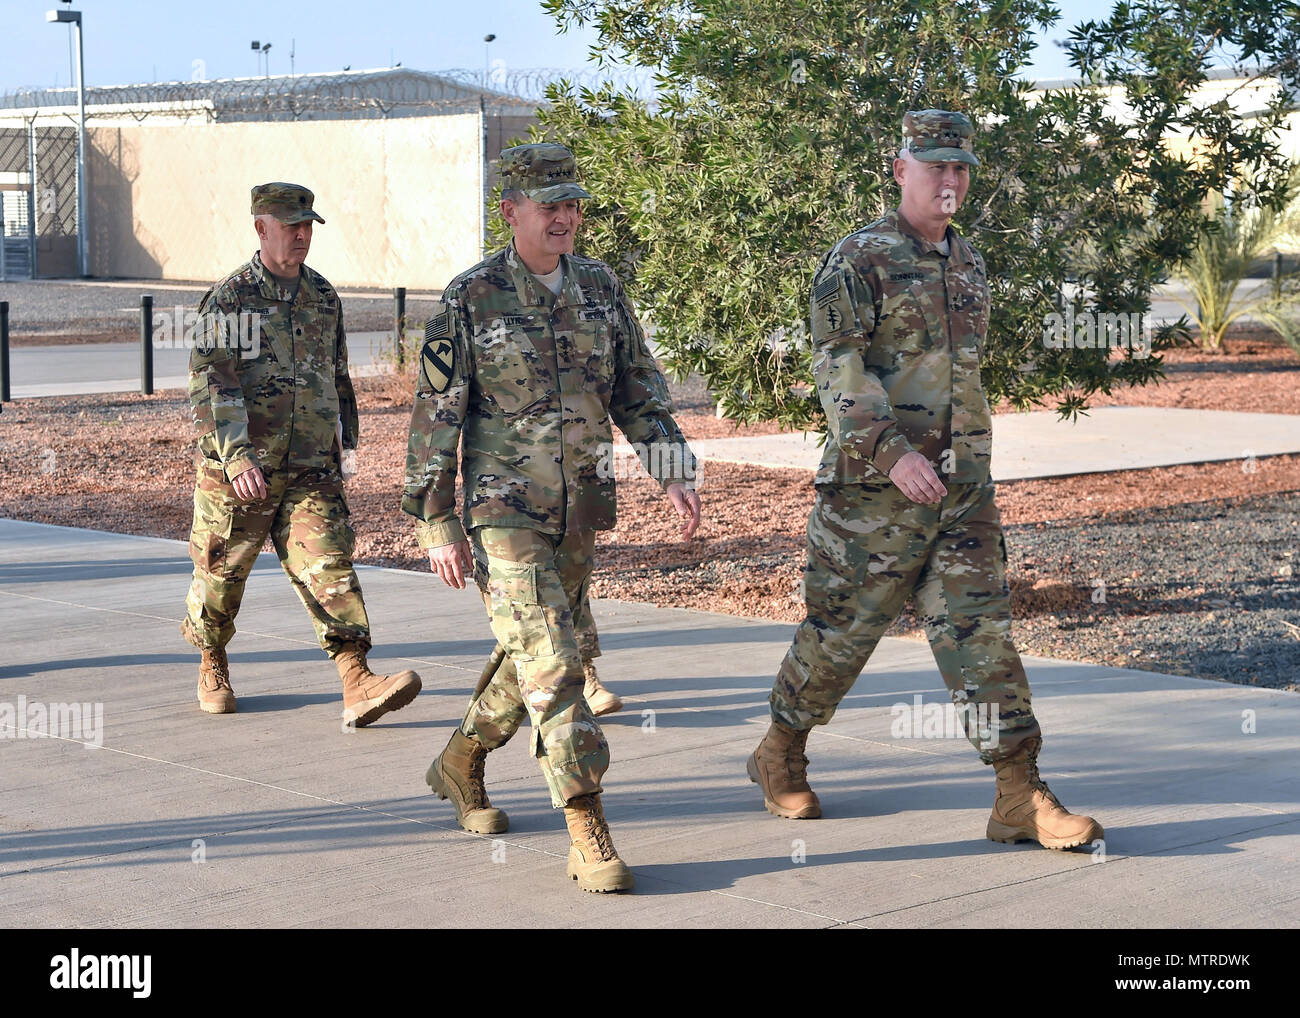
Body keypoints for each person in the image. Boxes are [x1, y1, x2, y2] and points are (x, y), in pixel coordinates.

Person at [748, 111, 1104, 850]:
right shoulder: (859, 259)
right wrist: (890, 450)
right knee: (840, 637)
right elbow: (838, 367)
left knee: (983, 639)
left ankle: (1019, 792)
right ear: (900, 167)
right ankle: (780, 750)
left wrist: (963, 458)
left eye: (961, 167)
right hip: (871, 495)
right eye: (936, 165)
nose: (950, 179)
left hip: (962, 491)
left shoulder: (967, 261)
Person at [403, 143, 702, 892]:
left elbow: (638, 386)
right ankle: (585, 820)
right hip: (502, 509)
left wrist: (669, 466)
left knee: (531, 650)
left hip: (582, 504)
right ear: (511, 213)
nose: (565, 217)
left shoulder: (600, 286)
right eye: (549, 206)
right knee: (555, 660)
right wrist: (435, 520)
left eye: (572, 204)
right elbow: (435, 416)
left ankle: (461, 760)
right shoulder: (469, 298)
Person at [182, 181, 421, 728]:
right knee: (222, 573)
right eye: (291, 225)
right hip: (241, 470)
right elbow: (212, 383)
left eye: (308, 225)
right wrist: (237, 455)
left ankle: (356, 676)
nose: (302, 235)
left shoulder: (322, 296)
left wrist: (348, 448)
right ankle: (211, 659)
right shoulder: (231, 300)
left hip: (312, 464)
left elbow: (337, 376)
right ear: (261, 228)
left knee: (330, 564)